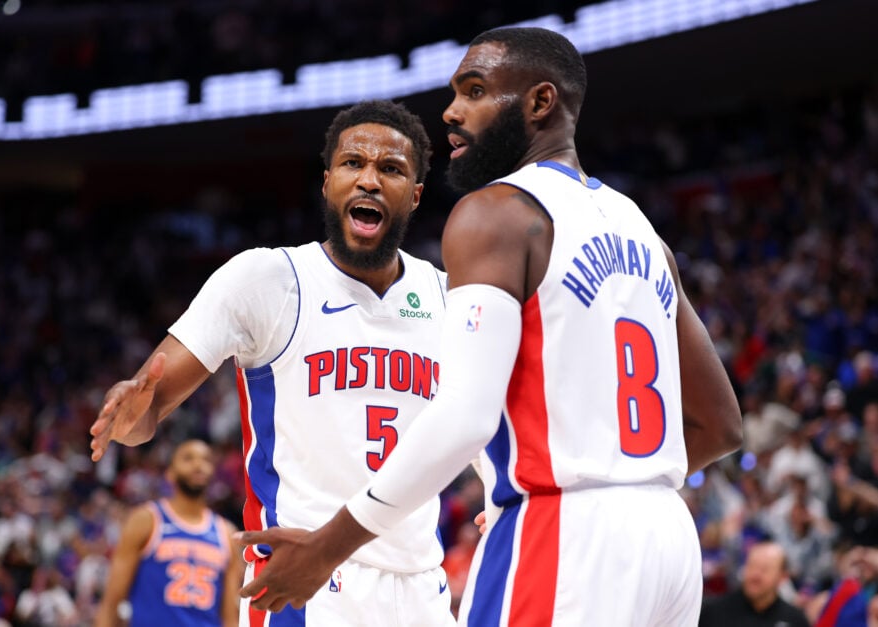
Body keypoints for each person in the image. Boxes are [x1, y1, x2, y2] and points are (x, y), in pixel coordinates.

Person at [236, 26, 744, 625]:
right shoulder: (642, 231)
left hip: (562, 534)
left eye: (474, 91)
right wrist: (613, 484)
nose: (451, 112)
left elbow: (464, 418)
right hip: (667, 536)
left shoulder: (497, 213)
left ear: (540, 102)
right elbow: (721, 424)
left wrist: (327, 547)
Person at [89, 100, 457, 626]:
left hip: (421, 587)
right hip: (303, 582)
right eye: (353, 163)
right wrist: (129, 415)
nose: (369, 180)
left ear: (416, 194)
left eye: (391, 169)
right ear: (328, 182)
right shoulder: (267, 279)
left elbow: (477, 420)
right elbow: (145, 415)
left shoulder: (447, 295)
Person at [94, 439, 243, 627]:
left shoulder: (226, 533)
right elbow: (111, 603)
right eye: (188, 458)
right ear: (170, 473)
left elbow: (230, 617)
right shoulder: (147, 520)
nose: (198, 465)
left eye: (206, 460)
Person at [699, 541, 810, 627]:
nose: (755, 575)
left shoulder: (795, 620)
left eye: (764, 569)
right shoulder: (714, 613)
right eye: (752, 566)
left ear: (782, 577)